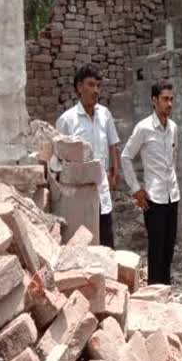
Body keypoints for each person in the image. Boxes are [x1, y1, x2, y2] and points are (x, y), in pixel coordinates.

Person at [120, 81, 179, 285]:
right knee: (156, 250)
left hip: (173, 195)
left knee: (169, 249)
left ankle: (167, 291)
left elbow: (173, 160)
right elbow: (125, 156)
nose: (169, 104)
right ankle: (156, 292)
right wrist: (136, 190)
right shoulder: (143, 128)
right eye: (165, 99)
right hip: (153, 199)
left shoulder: (173, 128)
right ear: (154, 101)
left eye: (171, 99)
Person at [57, 63, 120, 248]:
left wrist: (115, 169)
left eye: (98, 86)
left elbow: (112, 143)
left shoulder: (105, 115)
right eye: (91, 85)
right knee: (84, 245)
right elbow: (60, 161)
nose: (96, 90)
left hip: (102, 190)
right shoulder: (67, 120)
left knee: (107, 244)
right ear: (79, 87)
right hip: (79, 196)